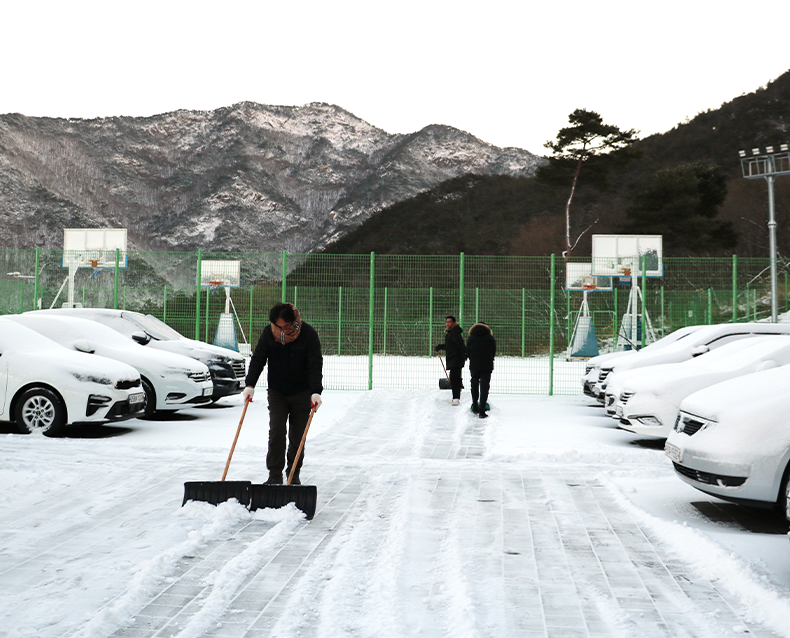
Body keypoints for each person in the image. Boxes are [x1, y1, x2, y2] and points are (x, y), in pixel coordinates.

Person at [242, 302, 323, 485]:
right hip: (277, 392)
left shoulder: (308, 334)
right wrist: (250, 385)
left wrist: (316, 391)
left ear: (294, 322)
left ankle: (293, 474)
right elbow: (258, 358)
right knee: (277, 432)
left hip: (302, 393)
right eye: (279, 326)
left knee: (297, 437)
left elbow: (314, 365)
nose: (283, 330)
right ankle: (274, 475)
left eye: (286, 326)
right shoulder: (269, 334)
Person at [466, 322, 496, 418]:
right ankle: (482, 410)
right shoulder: (490, 338)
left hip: (474, 365)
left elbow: (468, 352)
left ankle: (475, 405)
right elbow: (493, 352)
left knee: (474, 384)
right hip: (487, 365)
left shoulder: (471, 338)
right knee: (484, 386)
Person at [435, 315, 466, 405]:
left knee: (454, 378)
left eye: (450, 322)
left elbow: (461, 344)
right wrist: (440, 347)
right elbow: (450, 346)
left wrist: (464, 354)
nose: (448, 323)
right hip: (453, 358)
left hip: (456, 358)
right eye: (447, 322)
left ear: (454, 323)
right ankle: (455, 398)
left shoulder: (455, 333)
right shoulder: (451, 333)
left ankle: (456, 398)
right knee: (454, 378)